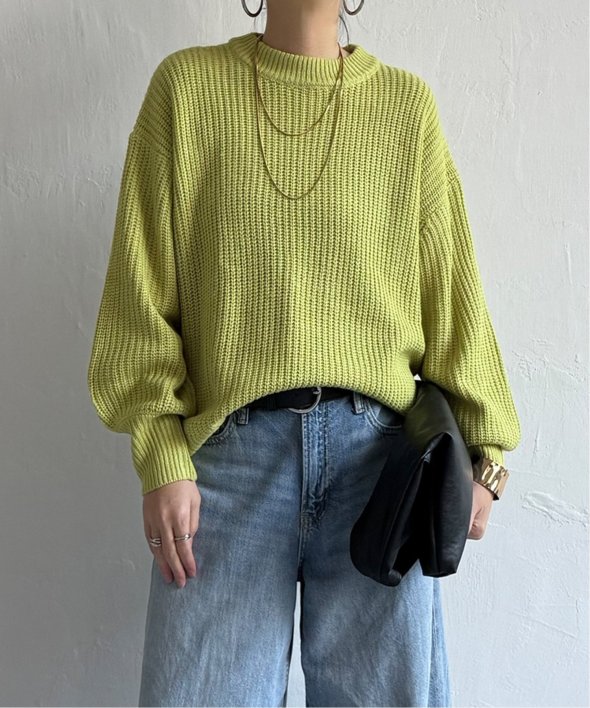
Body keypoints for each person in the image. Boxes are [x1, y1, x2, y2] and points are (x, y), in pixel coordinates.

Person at [87, 0, 522, 705]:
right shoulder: (186, 93)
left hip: (381, 472)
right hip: (226, 467)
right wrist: (160, 451)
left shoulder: (405, 109)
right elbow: (139, 300)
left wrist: (487, 457)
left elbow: (453, 299)